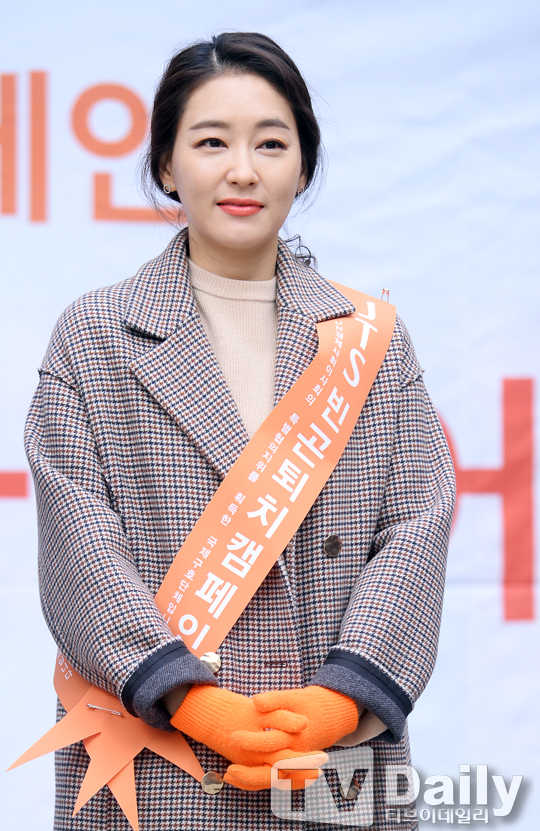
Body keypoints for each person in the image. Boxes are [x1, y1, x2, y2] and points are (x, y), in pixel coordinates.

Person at [25, 31, 455, 831]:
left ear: (304, 167)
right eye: (211, 142)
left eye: (271, 143)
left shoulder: (370, 340)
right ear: (166, 165)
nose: (243, 170)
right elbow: (79, 542)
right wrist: (187, 694)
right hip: (158, 754)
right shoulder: (94, 335)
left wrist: (341, 700)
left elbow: (416, 527)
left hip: (330, 760)